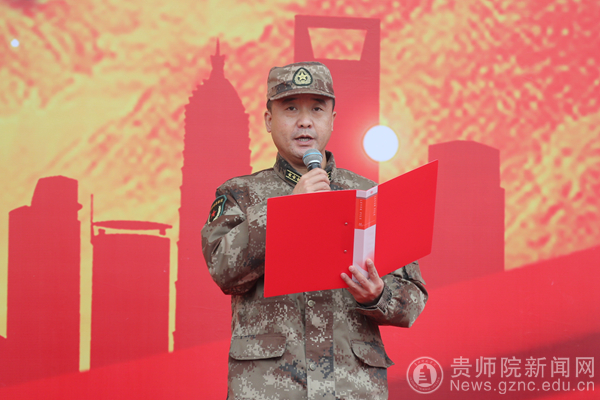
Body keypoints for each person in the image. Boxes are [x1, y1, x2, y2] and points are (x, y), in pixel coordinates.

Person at [201, 61, 428, 400]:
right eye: (291, 108)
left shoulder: (369, 195)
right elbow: (223, 271)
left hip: (352, 389)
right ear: (268, 120)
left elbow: (413, 299)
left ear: (332, 120)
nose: (305, 121)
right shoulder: (240, 194)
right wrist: (287, 211)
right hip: (270, 388)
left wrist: (378, 295)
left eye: (317, 109)